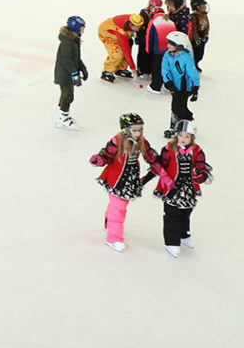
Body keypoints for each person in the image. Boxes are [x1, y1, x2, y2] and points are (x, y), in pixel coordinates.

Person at [89, 112, 164, 252]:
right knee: (119, 208)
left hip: (131, 178)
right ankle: (114, 237)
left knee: (117, 205)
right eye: (134, 130)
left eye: (140, 129)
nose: (138, 133)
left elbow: (150, 156)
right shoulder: (117, 141)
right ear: (126, 129)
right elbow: (107, 155)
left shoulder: (142, 141)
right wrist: (99, 160)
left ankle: (109, 223)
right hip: (116, 178)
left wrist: (161, 168)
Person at [146, 122, 210, 257]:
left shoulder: (196, 150)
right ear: (176, 136)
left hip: (188, 188)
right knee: (172, 214)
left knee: (186, 212)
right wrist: (145, 179)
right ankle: (171, 241)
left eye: (187, 136)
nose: (183, 139)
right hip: (172, 188)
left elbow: (201, 164)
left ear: (192, 138)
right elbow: (159, 166)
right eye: (181, 135)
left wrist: (201, 174)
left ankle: (183, 234)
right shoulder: (168, 149)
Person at [160, 30, 199, 137]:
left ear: (179, 45)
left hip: (185, 87)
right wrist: (168, 83)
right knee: (175, 106)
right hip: (174, 86)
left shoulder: (185, 57)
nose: (168, 45)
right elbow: (165, 70)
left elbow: (192, 72)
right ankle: (175, 126)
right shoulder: (167, 55)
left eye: (171, 44)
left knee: (180, 106)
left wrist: (195, 87)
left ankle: (185, 125)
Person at [53, 16, 88, 130]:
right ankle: (63, 118)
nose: (83, 30)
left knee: (68, 95)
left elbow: (76, 57)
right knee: (67, 95)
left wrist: (82, 68)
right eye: (82, 28)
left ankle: (61, 115)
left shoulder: (74, 39)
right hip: (64, 74)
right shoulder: (67, 42)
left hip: (69, 72)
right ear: (76, 28)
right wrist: (74, 73)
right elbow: (66, 60)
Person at [97, 13, 141, 82]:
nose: (138, 30)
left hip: (120, 33)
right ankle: (107, 70)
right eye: (136, 27)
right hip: (107, 34)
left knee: (129, 44)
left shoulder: (136, 19)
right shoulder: (121, 31)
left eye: (139, 27)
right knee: (117, 53)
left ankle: (121, 68)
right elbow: (126, 51)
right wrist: (133, 68)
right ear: (130, 24)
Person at [189, 0, 209, 71]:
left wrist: (206, 35)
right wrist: (196, 38)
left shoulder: (204, 16)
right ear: (197, 7)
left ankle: (196, 63)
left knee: (200, 53)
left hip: (202, 36)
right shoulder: (194, 17)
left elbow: (207, 26)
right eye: (203, 6)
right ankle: (192, 65)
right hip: (196, 37)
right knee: (195, 52)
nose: (205, 8)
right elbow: (193, 29)